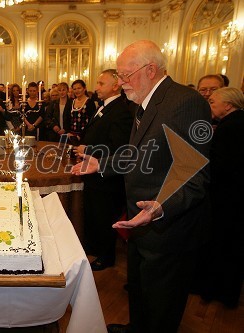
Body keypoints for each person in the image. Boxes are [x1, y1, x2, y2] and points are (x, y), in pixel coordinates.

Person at [71, 40, 211, 333]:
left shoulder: (185, 102)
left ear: (150, 70)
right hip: (141, 221)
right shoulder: (144, 102)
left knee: (161, 300)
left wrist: (160, 207)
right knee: (139, 287)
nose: (121, 82)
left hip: (166, 225)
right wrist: (102, 164)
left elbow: (194, 173)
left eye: (125, 75)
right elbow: (141, 152)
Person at [73, 69, 133, 271]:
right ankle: (95, 248)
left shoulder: (121, 111)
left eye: (101, 83)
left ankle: (106, 256)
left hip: (107, 178)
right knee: (96, 215)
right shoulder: (105, 107)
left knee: (106, 216)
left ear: (115, 86)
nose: (96, 87)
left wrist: (88, 149)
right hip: (94, 174)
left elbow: (119, 148)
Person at [199, 87, 243, 308]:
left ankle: (218, 291)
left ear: (228, 105)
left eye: (213, 102)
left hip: (227, 198)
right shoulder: (233, 123)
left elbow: (221, 166)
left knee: (223, 244)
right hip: (231, 197)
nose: (210, 104)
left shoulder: (232, 127)